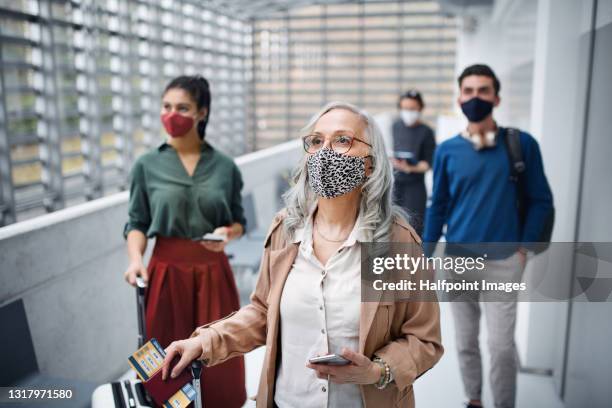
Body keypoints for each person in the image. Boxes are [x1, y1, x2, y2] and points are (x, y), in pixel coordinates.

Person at [160, 101, 443, 407]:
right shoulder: (285, 230)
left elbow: (424, 339)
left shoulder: (399, 242)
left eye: (342, 140)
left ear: (370, 164)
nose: (326, 152)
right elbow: (262, 313)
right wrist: (205, 341)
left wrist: (376, 371)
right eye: (317, 141)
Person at [423, 64, 554, 408]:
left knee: (501, 347)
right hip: (457, 261)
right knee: (465, 342)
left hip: (503, 263)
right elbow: (438, 206)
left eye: (483, 91)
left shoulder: (521, 144)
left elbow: (541, 200)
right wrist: (424, 256)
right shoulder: (447, 150)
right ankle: (474, 400)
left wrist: (523, 249)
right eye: (468, 91)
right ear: (459, 98)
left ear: (496, 97)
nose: (475, 98)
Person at [122, 75, 247, 407]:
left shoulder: (225, 167)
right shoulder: (146, 166)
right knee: (164, 360)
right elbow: (137, 223)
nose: (171, 114)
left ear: (201, 113)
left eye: (182, 108)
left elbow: (238, 222)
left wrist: (227, 234)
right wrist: (136, 259)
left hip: (213, 272)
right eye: (166, 106)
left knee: (218, 356)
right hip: (165, 272)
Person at [391, 89, 436, 236]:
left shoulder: (426, 132)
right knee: (394, 226)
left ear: (420, 108)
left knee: (414, 228)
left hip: (415, 187)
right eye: (405, 108)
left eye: (412, 109)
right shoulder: (395, 126)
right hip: (396, 183)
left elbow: (428, 164)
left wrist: (410, 167)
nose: (408, 112)